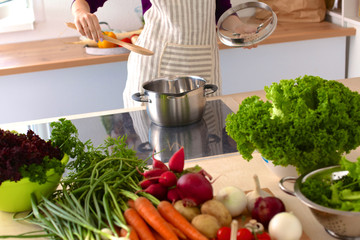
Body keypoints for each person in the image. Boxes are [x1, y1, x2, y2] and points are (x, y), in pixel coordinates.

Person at [71, 0, 256, 108]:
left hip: (204, 71)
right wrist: (80, 14)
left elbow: (221, 9)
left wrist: (238, 28)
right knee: (157, 163)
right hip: (155, 73)